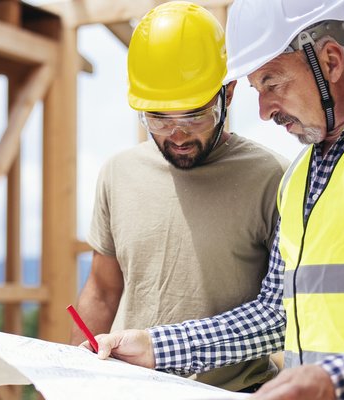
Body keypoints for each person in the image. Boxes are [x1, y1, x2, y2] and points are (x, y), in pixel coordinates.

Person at [86, 0, 344, 399]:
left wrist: (335, 381)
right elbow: (275, 316)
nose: (265, 110)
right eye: (255, 88)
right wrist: (156, 346)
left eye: (271, 82)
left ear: (330, 61)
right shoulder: (300, 176)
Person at [71, 1, 288, 393]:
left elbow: (281, 315)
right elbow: (102, 290)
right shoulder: (118, 174)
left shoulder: (273, 178)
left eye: (194, 116)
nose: (177, 134)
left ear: (229, 94)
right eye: (158, 118)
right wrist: (64, 379)